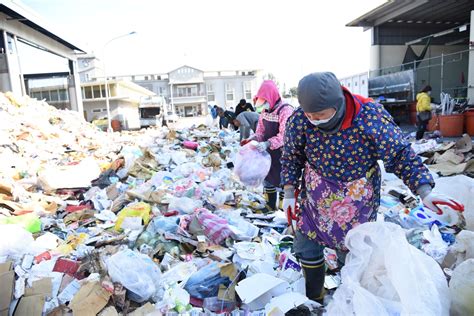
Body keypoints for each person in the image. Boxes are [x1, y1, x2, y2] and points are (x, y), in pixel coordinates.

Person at [281, 72, 464, 303]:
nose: (314, 120)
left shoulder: (369, 117)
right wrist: (289, 192)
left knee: (353, 252)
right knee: (306, 245)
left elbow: (400, 154)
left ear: (337, 104)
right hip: (316, 197)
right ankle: (314, 298)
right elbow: (291, 156)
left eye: (320, 115)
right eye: (310, 115)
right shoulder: (299, 120)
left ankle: (349, 297)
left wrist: (425, 191)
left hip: (356, 202)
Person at [241, 80, 294, 212]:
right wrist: (251, 139)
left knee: (283, 181)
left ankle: (283, 211)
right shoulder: (265, 111)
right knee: (268, 178)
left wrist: (268, 143)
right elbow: (260, 132)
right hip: (267, 154)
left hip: (283, 154)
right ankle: (270, 206)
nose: (262, 105)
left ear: (271, 97)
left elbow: (284, 135)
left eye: (265, 100)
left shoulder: (285, 110)